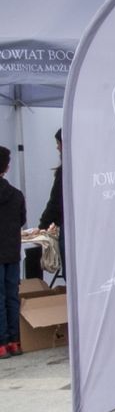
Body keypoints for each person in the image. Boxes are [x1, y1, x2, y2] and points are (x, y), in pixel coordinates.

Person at [0, 146, 25, 359]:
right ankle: (14, 341)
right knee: (11, 296)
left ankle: (1, 343)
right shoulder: (16, 195)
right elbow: (22, 220)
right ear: (7, 167)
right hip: (12, 252)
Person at [38, 129, 64, 278]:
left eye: (58, 143)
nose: (57, 147)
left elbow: (56, 201)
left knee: (72, 273)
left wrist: (43, 226)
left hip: (70, 228)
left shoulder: (65, 171)